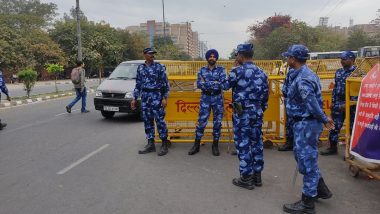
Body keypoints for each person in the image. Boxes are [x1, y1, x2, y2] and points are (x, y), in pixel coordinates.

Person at [281, 44, 334, 214]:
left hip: (307, 123)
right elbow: (287, 92)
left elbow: (312, 104)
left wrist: (325, 119)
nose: (286, 59)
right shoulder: (296, 74)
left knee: (307, 161)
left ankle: (307, 203)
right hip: (301, 123)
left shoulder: (304, 78)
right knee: (301, 157)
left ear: (293, 59)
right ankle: (321, 188)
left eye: (288, 57)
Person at [222, 43, 269, 190]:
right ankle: (257, 176)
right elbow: (266, 96)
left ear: (240, 56)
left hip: (242, 114)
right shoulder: (262, 72)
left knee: (243, 144)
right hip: (257, 112)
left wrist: (233, 68)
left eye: (237, 55)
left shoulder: (237, 71)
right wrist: (260, 109)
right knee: (256, 142)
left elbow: (225, 86)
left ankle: (246, 178)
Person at [131, 47, 171, 156]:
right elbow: (138, 85)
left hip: (156, 97)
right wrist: (134, 98)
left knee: (160, 121)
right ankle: (150, 144)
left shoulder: (159, 67)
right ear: (144, 55)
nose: (152, 55)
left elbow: (165, 84)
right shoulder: (140, 68)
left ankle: (164, 144)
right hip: (145, 98)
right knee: (147, 121)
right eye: (150, 53)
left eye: (153, 53)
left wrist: (164, 98)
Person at [188, 49, 226, 156]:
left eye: (214, 57)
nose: (212, 58)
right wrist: (215, 83)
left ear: (216, 58)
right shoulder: (201, 70)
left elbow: (223, 84)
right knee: (201, 122)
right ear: (207, 58)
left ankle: (215, 145)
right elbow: (199, 84)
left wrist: (207, 83)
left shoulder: (221, 70)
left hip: (218, 98)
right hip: (205, 98)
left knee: (217, 123)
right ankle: (196, 144)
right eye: (210, 56)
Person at [320, 51, 357, 156]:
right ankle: (332, 147)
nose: (342, 61)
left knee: (352, 128)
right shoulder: (339, 72)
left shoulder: (357, 72)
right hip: (338, 104)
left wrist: (348, 104)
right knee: (334, 126)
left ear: (352, 60)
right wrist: (333, 102)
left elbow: (358, 90)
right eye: (341, 59)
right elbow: (335, 88)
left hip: (352, 104)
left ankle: (351, 152)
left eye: (344, 59)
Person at [278, 68, 295, 151]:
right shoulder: (308, 73)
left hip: (291, 104)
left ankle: (290, 143)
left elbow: (285, 89)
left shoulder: (291, 72)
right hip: (294, 104)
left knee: (290, 123)